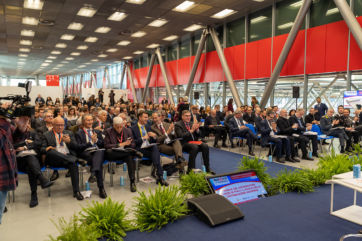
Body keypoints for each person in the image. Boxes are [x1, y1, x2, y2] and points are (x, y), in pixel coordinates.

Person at [13, 116, 54, 207]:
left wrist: (25, 147)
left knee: (30, 165)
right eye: (23, 123)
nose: (26, 125)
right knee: (30, 160)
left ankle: (34, 195)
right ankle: (41, 179)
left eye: (27, 123)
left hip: (34, 161)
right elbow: (12, 146)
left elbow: (39, 143)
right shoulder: (14, 134)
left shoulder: (34, 133)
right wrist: (26, 143)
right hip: (20, 161)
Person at [41, 117, 84, 200]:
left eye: (62, 125)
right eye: (58, 125)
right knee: (51, 152)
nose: (60, 127)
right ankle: (76, 159)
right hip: (54, 159)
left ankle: (76, 191)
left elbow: (76, 147)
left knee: (73, 164)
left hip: (68, 157)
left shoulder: (69, 133)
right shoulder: (46, 134)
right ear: (53, 125)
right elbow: (42, 149)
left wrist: (69, 142)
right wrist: (46, 148)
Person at [130, 111, 168, 186]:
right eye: (145, 117)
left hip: (148, 148)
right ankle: (160, 176)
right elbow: (132, 142)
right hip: (139, 149)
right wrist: (143, 138)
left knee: (154, 147)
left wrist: (154, 136)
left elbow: (152, 141)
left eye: (147, 117)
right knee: (156, 152)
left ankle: (159, 176)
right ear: (139, 117)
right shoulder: (132, 128)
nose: (147, 119)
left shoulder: (148, 127)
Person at [75, 114, 107, 198]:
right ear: (83, 122)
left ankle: (93, 173)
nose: (90, 122)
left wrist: (96, 140)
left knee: (99, 153)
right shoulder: (79, 133)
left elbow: (103, 144)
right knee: (98, 162)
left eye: (91, 120)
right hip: (87, 154)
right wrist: (91, 143)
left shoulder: (97, 132)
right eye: (88, 120)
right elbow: (79, 148)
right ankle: (101, 188)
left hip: (97, 152)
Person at [104, 117, 138, 192]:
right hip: (114, 154)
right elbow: (106, 145)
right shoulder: (108, 131)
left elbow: (133, 144)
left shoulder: (128, 130)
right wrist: (121, 144)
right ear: (113, 125)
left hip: (124, 153)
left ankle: (132, 182)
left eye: (120, 126)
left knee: (129, 157)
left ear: (123, 124)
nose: (119, 128)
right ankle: (133, 153)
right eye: (117, 127)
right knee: (110, 152)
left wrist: (128, 144)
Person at [0, 104, 17, 224]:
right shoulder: (3, 124)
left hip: (3, 175)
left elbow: (15, 140)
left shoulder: (4, 125)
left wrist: (21, 127)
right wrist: (4, 120)